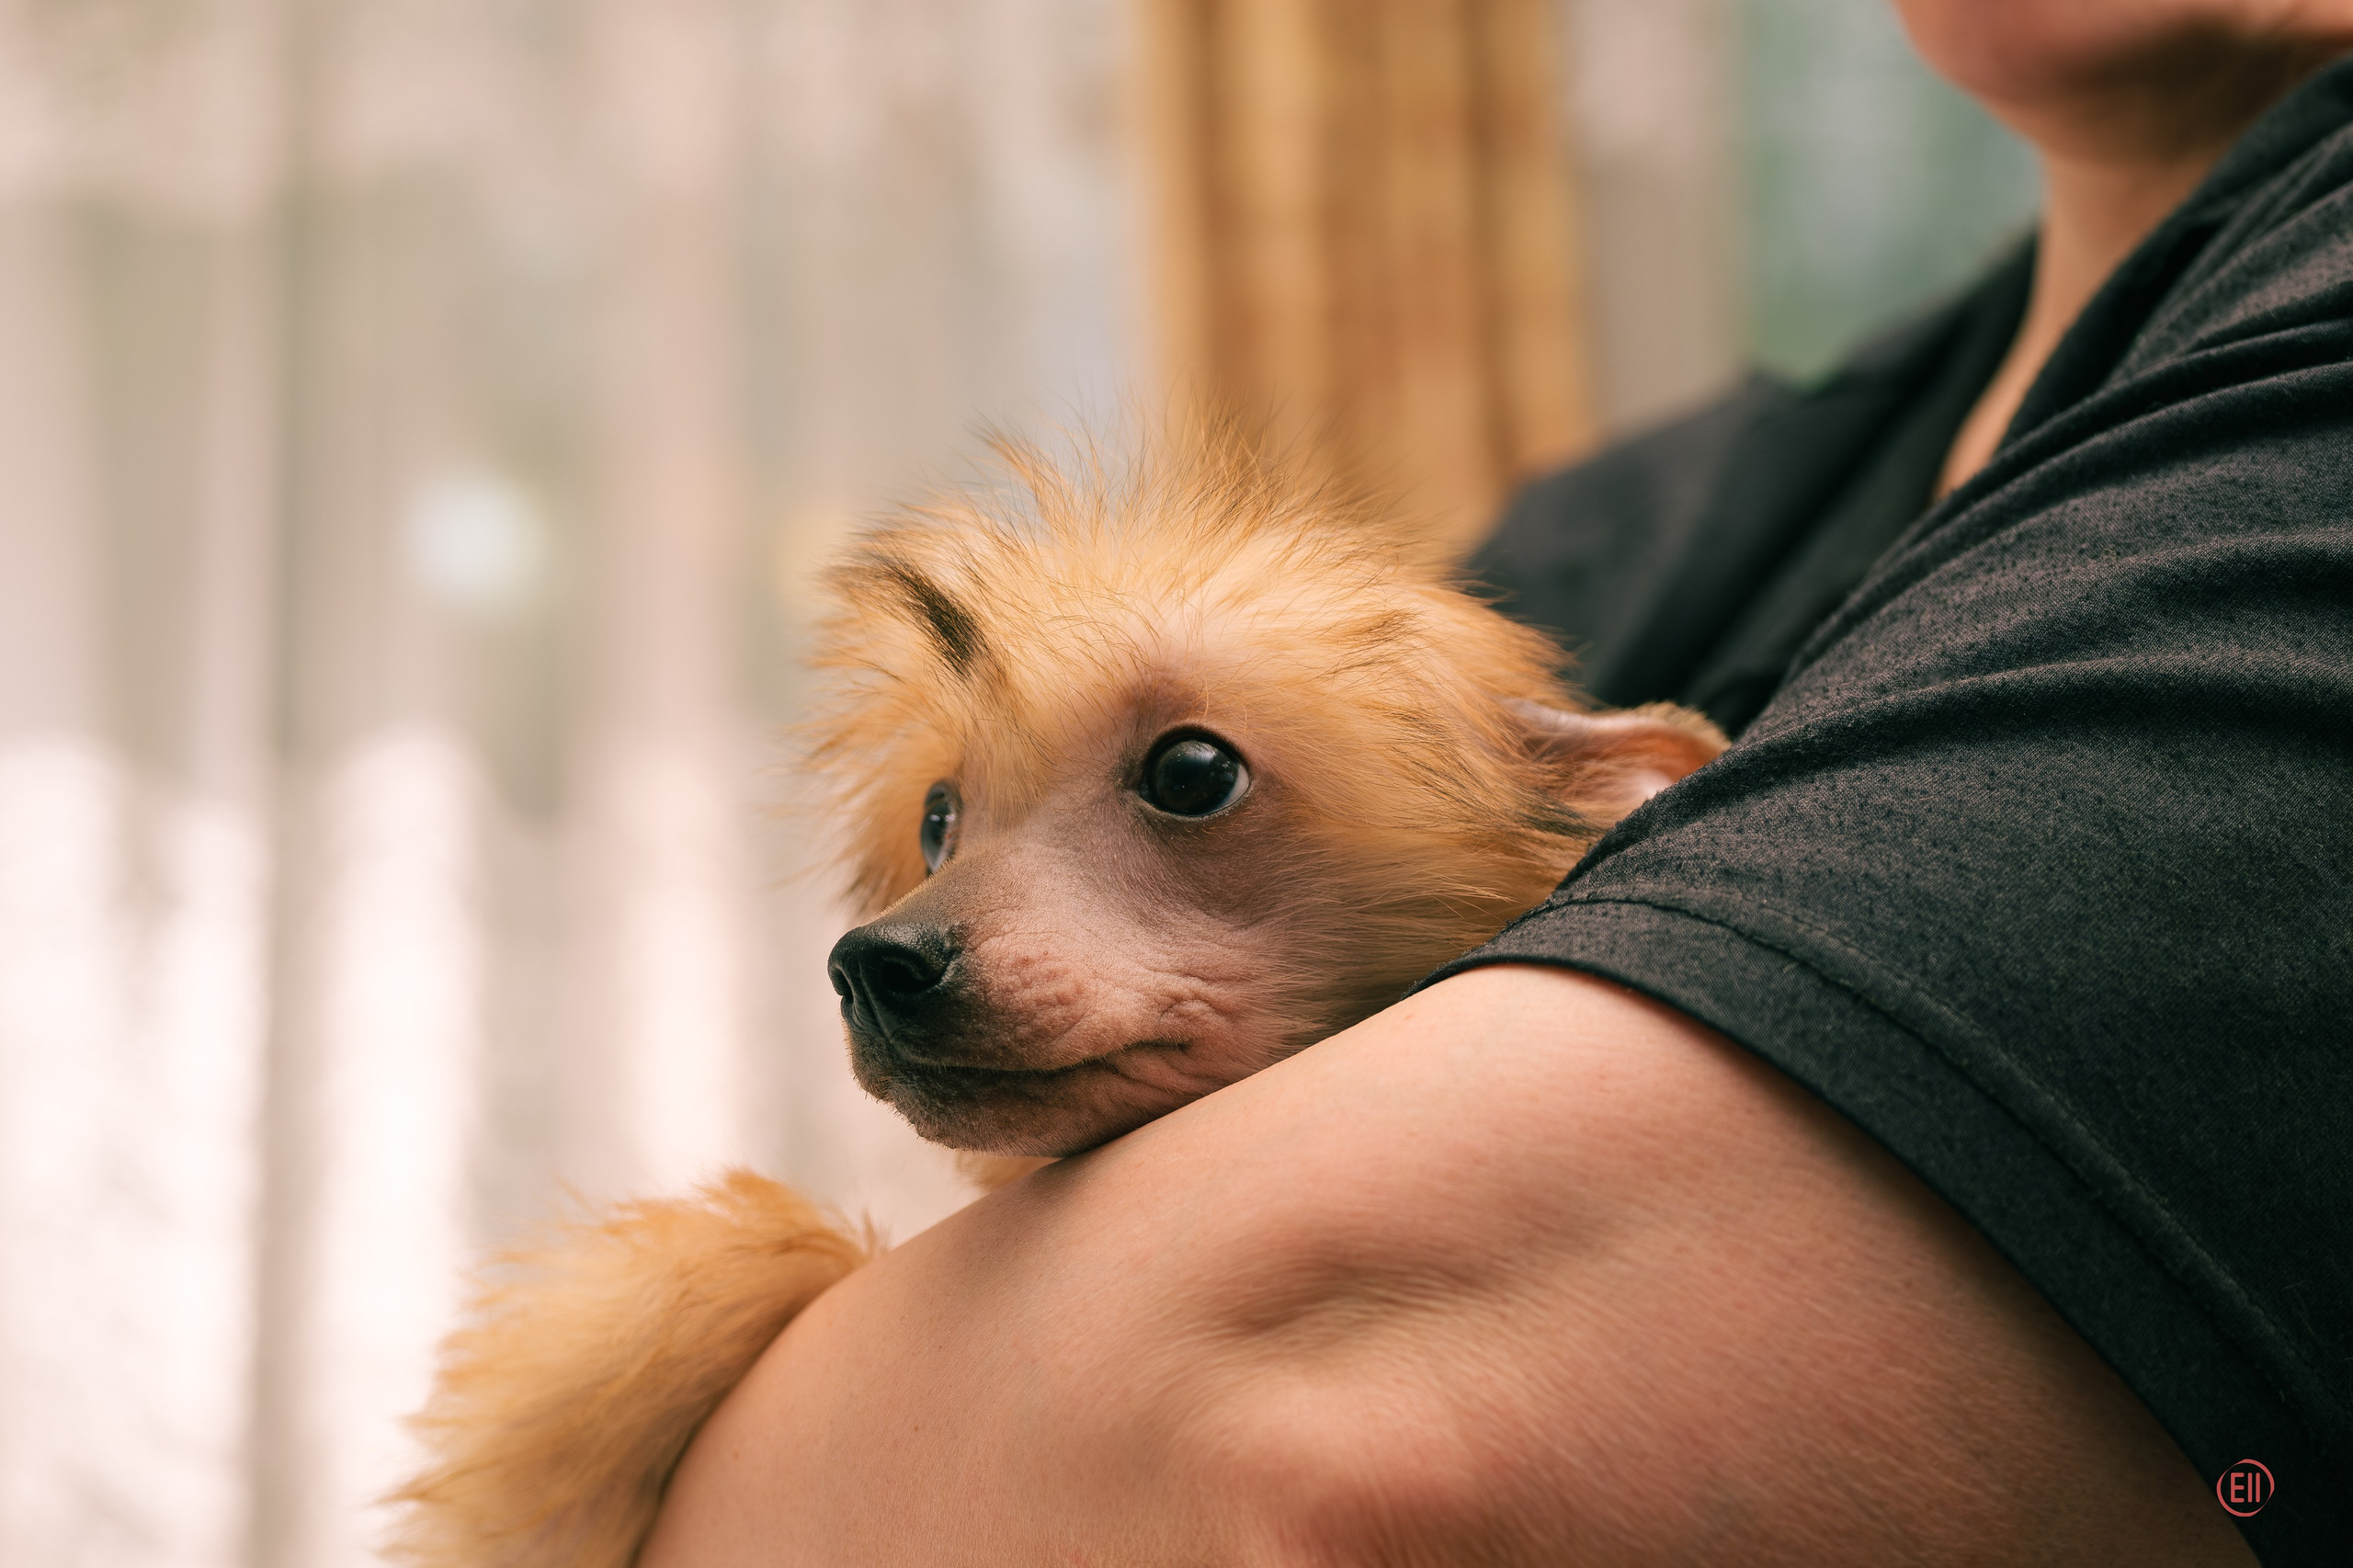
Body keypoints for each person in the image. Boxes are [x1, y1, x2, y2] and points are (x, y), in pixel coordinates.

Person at [640, 2, 2353, 1562]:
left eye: (1185, 780)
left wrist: (786, 1423)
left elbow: (1313, 1443)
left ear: (1627, 792)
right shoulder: (1626, 538)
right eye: (944, 824)